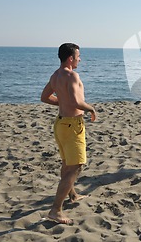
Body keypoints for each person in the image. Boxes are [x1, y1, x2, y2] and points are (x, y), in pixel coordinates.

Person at [40, 43, 97, 224]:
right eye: (78, 56)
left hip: (60, 124)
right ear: (71, 58)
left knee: (67, 163)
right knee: (76, 166)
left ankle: (72, 195)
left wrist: (62, 102)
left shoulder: (56, 75)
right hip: (72, 126)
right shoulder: (72, 75)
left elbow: (45, 97)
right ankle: (56, 210)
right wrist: (91, 109)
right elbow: (75, 101)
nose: (80, 59)